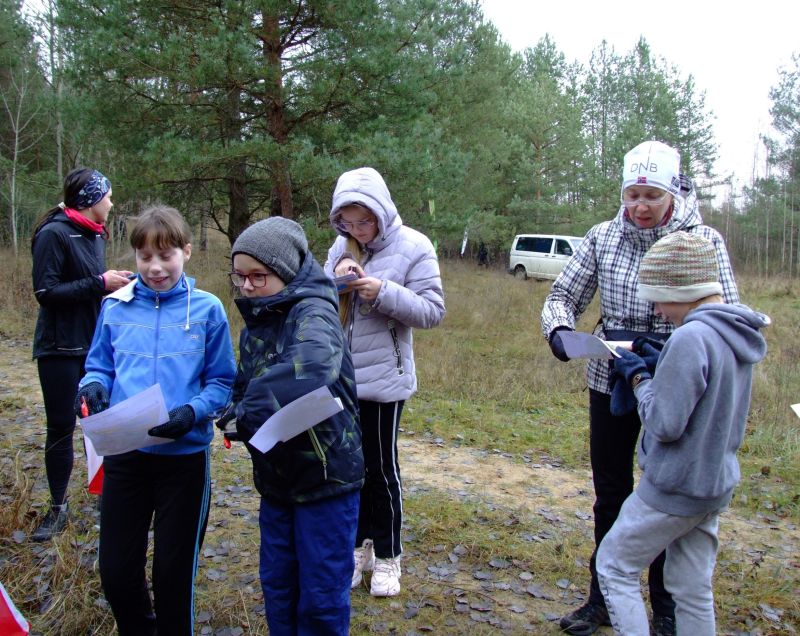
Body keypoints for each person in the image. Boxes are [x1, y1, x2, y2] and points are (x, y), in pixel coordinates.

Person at [540, 140, 739, 636]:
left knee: (665, 490)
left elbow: (728, 310)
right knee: (611, 491)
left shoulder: (702, 240)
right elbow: (563, 292)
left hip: (679, 382)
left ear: (672, 192)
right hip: (610, 377)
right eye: (632, 195)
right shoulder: (604, 236)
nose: (640, 207)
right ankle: (603, 598)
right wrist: (560, 330)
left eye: (651, 195)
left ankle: (667, 609)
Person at [597, 232, 769, 636]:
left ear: (682, 288)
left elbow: (665, 424)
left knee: (615, 566)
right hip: (712, 486)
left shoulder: (691, 337)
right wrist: (664, 368)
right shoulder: (735, 332)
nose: (656, 308)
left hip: (674, 487)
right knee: (691, 589)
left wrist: (639, 377)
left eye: (658, 296)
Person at [75, 205, 236, 636]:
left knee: (172, 573)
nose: (156, 267)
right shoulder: (114, 307)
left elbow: (222, 381)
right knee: (116, 570)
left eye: (166, 255)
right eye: (145, 257)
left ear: (186, 252)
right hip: (126, 454)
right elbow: (98, 367)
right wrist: (90, 388)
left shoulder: (207, 310)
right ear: (134, 257)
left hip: (184, 460)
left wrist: (193, 412)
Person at [219, 217, 364, 635]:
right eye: (239, 276)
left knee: (320, 598)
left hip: (326, 481)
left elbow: (313, 362)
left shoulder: (314, 312)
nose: (246, 286)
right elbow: (246, 383)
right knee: (278, 587)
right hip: (277, 480)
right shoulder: (259, 320)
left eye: (257, 276)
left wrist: (250, 409)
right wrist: (233, 410)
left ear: (284, 273)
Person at [325, 167, 445, 597]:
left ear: (382, 212)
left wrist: (383, 292)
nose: (357, 230)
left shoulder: (415, 245)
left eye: (365, 221)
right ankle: (359, 549)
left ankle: (390, 555)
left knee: (381, 470)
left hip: (385, 381)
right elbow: (321, 302)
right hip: (342, 379)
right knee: (350, 471)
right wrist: (336, 279)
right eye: (349, 222)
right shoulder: (341, 245)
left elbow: (432, 311)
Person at [30, 168, 133, 542]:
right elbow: (46, 291)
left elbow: (89, 284)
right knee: (61, 428)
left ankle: (111, 499)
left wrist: (110, 280)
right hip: (58, 349)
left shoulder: (93, 234)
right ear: (91, 200)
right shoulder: (54, 233)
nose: (112, 201)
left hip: (92, 347)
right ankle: (57, 509)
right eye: (107, 195)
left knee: (103, 424)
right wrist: (98, 283)